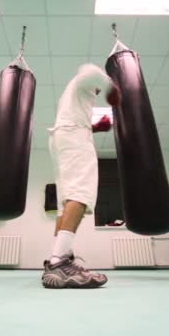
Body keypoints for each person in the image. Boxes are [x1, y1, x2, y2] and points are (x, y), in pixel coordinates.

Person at [42, 64, 121, 289]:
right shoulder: (82, 84)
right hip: (72, 136)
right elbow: (87, 70)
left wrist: (95, 127)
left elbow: (72, 121)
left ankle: (56, 259)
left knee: (65, 202)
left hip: (62, 138)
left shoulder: (74, 97)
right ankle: (60, 263)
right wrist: (111, 87)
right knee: (81, 192)